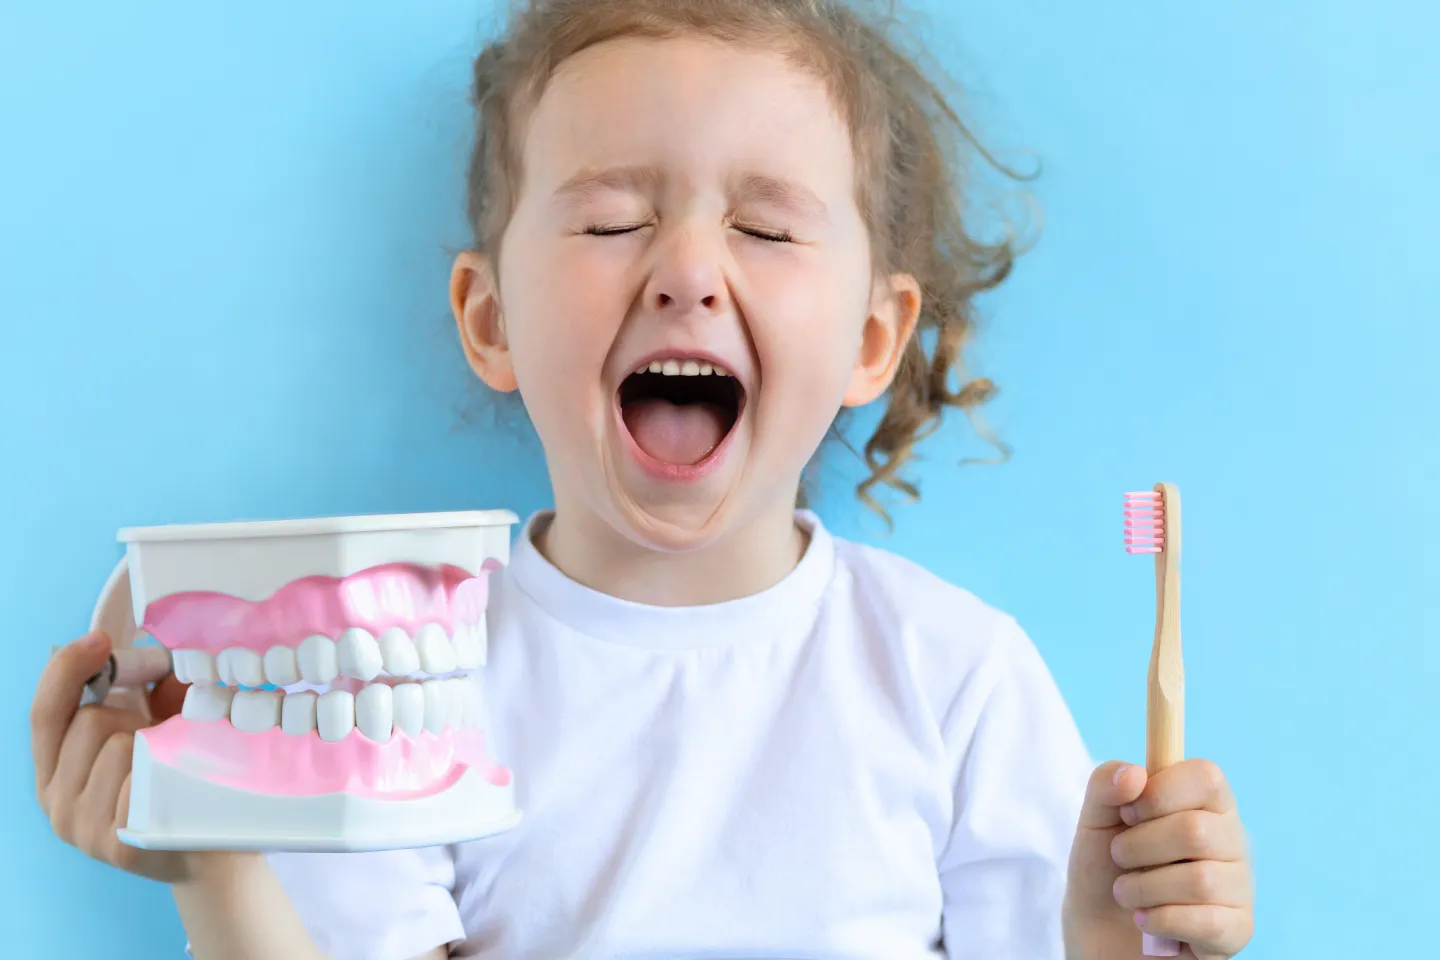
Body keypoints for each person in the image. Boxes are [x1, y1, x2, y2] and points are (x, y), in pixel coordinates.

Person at [30, 0, 1255, 957]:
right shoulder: (399, 680)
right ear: (491, 316)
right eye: (614, 219)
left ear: (872, 341)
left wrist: (1120, 946)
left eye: (767, 229)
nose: (687, 271)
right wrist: (216, 863)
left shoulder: (959, 682)